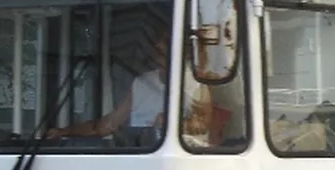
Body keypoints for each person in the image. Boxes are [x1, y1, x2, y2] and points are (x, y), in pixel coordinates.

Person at [47, 29, 213, 144]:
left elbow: (203, 124)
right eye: (158, 52)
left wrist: (176, 124)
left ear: (180, 52)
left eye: (163, 51)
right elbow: (108, 125)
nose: (156, 53)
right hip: (138, 161)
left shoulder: (196, 83)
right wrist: (64, 132)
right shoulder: (142, 82)